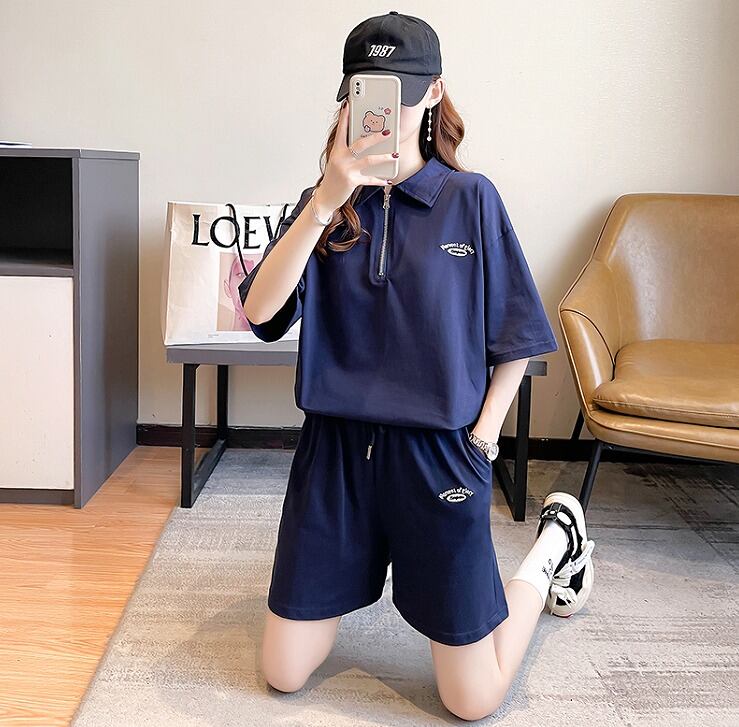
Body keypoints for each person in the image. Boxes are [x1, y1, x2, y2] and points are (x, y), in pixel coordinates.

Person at [240, 10, 596, 721]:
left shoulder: (470, 198)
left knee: (473, 699)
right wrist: (325, 201)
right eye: (369, 92)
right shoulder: (324, 207)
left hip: (439, 457)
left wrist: (482, 439)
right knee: (282, 673)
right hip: (335, 455)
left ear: (433, 92)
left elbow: (518, 338)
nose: (387, 111)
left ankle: (554, 547)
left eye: (402, 92)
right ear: (348, 96)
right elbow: (260, 311)